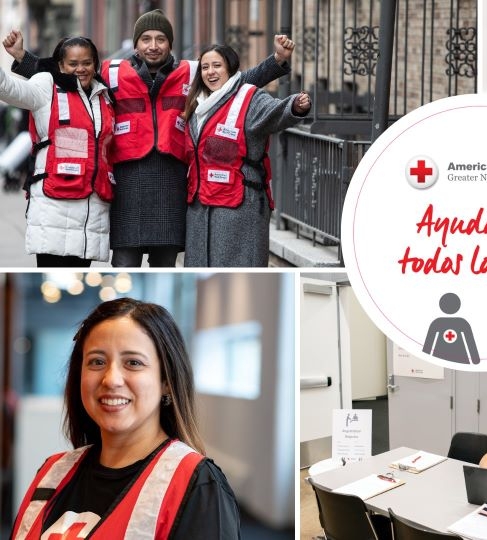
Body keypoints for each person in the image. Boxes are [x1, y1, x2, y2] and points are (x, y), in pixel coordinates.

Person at [5, 10, 294, 267]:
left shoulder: (191, 72)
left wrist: (276, 62)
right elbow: (66, 73)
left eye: (160, 39)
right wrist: (22, 58)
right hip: (127, 185)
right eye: (145, 39)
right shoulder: (111, 72)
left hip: (171, 183)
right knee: (125, 261)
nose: (153, 46)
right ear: (136, 43)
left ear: (170, 43)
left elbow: (236, 83)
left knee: (165, 263)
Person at [11, 298, 239, 538]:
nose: (111, 379)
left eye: (133, 363)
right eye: (97, 362)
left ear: (167, 382)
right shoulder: (52, 472)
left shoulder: (196, 485)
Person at [181, 44, 310, 266]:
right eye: (204, 67)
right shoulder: (197, 104)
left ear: (230, 68)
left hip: (238, 207)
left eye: (216, 65)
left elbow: (275, 112)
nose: (210, 72)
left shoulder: (247, 97)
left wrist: (295, 107)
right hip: (200, 208)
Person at [0, 36, 113, 267]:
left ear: (95, 64)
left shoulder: (104, 95)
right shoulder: (46, 87)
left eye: (87, 62)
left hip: (90, 214)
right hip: (54, 208)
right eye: (73, 64)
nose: (80, 69)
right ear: (60, 65)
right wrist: (21, 58)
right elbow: (9, 88)